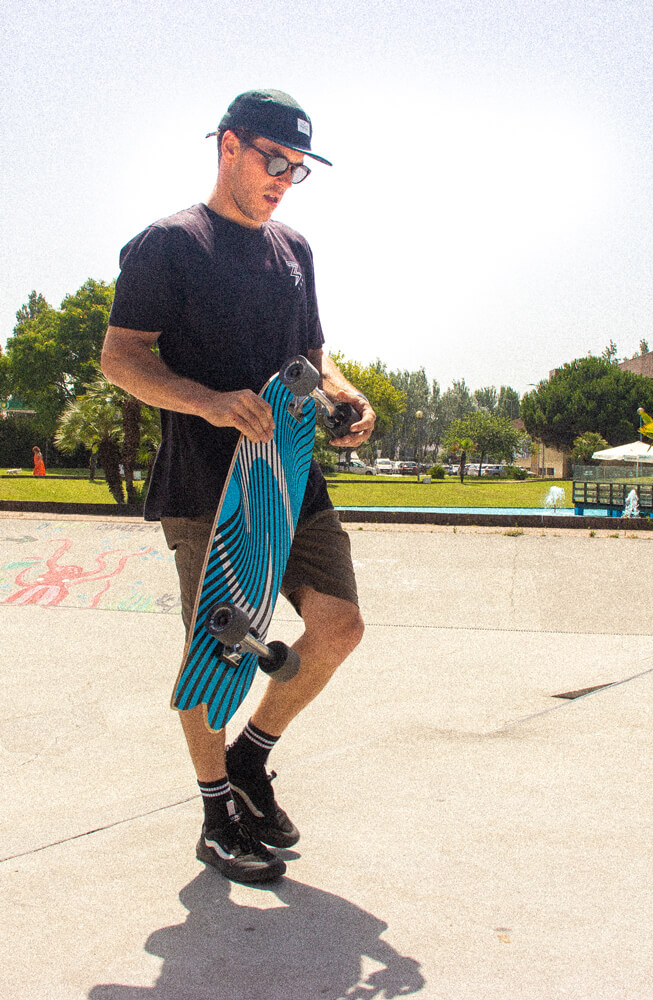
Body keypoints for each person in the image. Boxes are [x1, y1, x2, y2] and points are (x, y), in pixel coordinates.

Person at [101, 89, 376, 886]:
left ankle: (251, 760)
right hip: (205, 486)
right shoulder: (168, 244)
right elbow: (122, 357)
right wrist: (208, 401)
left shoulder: (294, 250)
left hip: (292, 474)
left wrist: (345, 398)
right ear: (227, 146)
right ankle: (216, 808)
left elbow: (317, 356)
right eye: (273, 159)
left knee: (339, 625)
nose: (284, 177)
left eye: (298, 167)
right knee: (214, 659)